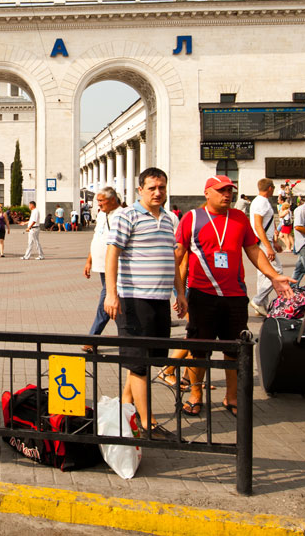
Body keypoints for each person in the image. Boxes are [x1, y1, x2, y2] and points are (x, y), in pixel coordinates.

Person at [175, 176, 293, 417]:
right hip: (201, 294)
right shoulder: (192, 218)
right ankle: (196, 395)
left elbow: (252, 249)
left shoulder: (239, 218)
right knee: (199, 348)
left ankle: (232, 396)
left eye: (230, 190)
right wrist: (177, 291)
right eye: (221, 190)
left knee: (234, 349)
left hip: (235, 296)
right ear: (207, 192)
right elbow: (179, 254)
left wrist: (273, 276)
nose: (227, 195)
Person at [104, 168, 175, 434]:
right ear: (140, 190)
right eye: (152, 188)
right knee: (139, 363)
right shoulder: (127, 215)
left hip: (160, 299)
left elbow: (172, 257)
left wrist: (180, 293)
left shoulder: (168, 219)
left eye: (162, 187)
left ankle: (125, 405)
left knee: (144, 361)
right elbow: (112, 254)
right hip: (134, 300)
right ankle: (147, 423)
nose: (158, 192)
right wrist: (111, 294)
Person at [81, 188, 123, 353]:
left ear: (113, 200)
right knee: (115, 303)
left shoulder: (121, 215)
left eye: (101, 201)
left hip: (113, 266)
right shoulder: (101, 214)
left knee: (106, 300)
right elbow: (97, 237)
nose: (98, 204)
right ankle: (130, 337)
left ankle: (92, 338)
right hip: (101, 266)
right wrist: (89, 261)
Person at [248, 178, 280, 316]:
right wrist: (269, 246)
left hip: (263, 241)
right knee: (276, 272)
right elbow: (258, 225)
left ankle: (261, 306)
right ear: (270, 188)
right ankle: (258, 300)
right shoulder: (262, 202)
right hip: (263, 242)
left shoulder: (259, 201)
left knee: (264, 275)